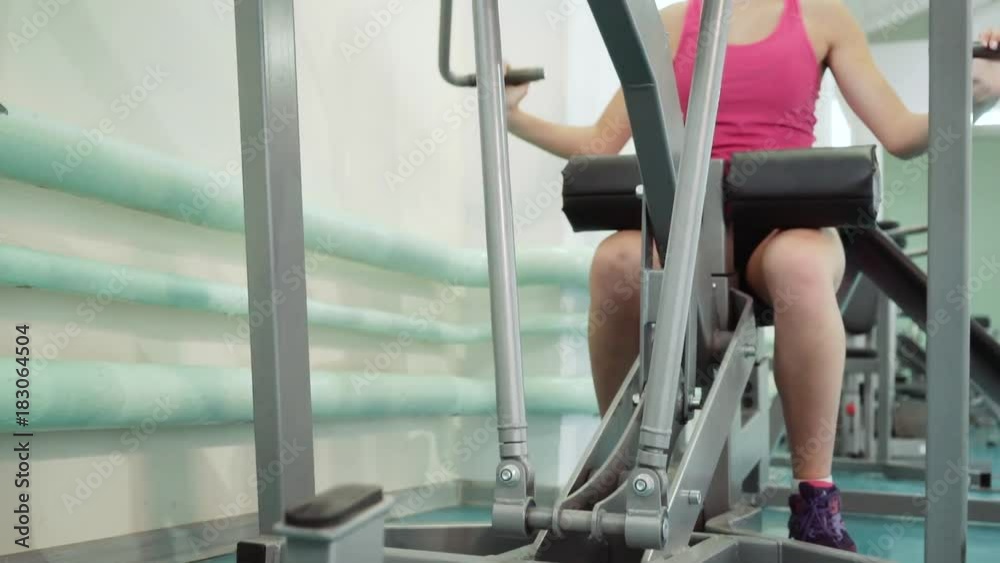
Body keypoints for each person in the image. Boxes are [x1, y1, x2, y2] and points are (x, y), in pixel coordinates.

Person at [505, 0, 1000, 552]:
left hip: (786, 221)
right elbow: (600, 144)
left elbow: (901, 134)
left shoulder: (821, 18)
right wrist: (512, 117)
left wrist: (978, 93)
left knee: (801, 266)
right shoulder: (669, 23)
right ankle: (625, 476)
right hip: (687, 221)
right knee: (616, 262)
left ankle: (815, 497)